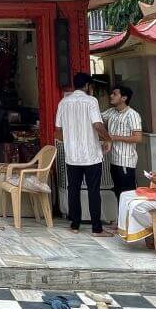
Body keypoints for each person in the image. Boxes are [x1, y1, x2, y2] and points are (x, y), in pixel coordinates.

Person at [55, 72, 111, 236]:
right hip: (91, 155)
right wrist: (108, 139)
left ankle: (74, 225)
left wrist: (70, 140)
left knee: (73, 189)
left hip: (72, 155)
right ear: (87, 85)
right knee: (93, 190)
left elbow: (58, 129)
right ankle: (96, 228)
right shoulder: (91, 101)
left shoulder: (63, 102)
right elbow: (97, 125)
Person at [102, 85, 143, 201]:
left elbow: (138, 138)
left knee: (127, 195)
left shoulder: (132, 115)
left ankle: (128, 214)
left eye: (115, 94)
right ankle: (121, 213)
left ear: (124, 98)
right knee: (118, 193)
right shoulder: (111, 112)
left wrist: (112, 137)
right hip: (113, 160)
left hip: (125, 161)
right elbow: (96, 120)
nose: (111, 96)